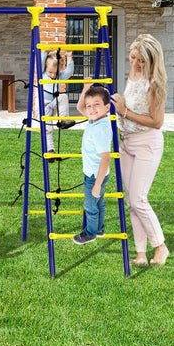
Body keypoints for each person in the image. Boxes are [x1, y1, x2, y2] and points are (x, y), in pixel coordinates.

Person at [111, 33, 169, 266]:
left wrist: (124, 111)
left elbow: (156, 122)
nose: (135, 64)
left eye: (141, 60)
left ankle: (161, 247)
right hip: (126, 143)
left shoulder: (155, 84)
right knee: (131, 202)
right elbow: (131, 105)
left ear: (152, 60)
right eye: (133, 58)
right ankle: (141, 255)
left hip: (147, 143)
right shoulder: (133, 75)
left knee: (138, 199)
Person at [73, 84, 112, 245]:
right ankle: (99, 228)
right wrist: (86, 88)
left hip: (95, 176)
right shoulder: (97, 119)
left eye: (97, 104)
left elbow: (106, 158)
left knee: (90, 206)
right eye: (89, 106)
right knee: (99, 202)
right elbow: (80, 106)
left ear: (107, 107)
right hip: (99, 174)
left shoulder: (99, 129)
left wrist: (96, 184)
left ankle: (90, 233)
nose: (91, 109)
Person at [38, 50, 75, 158]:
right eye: (50, 72)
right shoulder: (42, 74)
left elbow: (69, 72)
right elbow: (40, 62)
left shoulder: (58, 77)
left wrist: (69, 57)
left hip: (53, 105)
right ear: (45, 68)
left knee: (63, 96)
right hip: (42, 107)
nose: (53, 75)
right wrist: (45, 51)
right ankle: (50, 150)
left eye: (56, 73)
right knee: (48, 129)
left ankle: (64, 119)